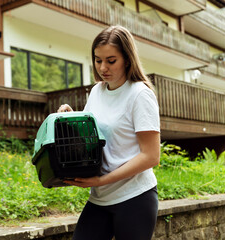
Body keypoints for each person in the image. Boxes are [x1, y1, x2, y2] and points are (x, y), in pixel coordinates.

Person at [57, 25, 160, 240]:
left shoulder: (140, 94)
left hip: (135, 197)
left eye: (111, 61)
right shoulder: (97, 90)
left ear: (128, 59)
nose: (103, 67)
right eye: (98, 60)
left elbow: (151, 156)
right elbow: (92, 132)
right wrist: (70, 116)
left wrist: (101, 181)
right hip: (100, 198)